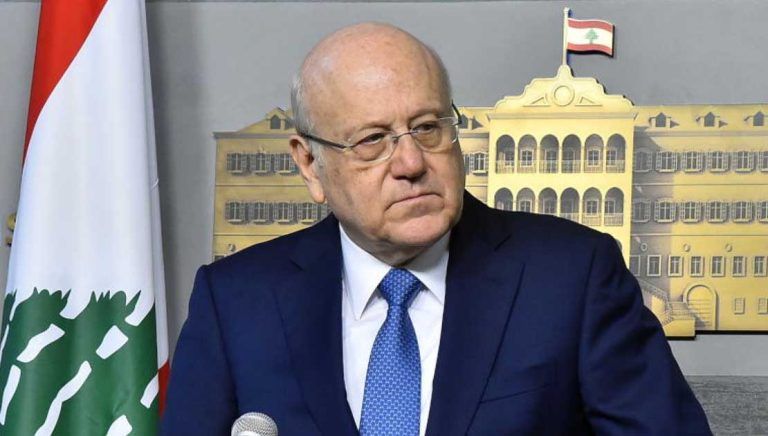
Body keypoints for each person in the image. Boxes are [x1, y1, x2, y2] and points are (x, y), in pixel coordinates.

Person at [162, 22, 711, 435]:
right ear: (309, 164)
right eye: (372, 141)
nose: (410, 163)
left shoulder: (571, 276)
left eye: (427, 127)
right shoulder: (236, 301)